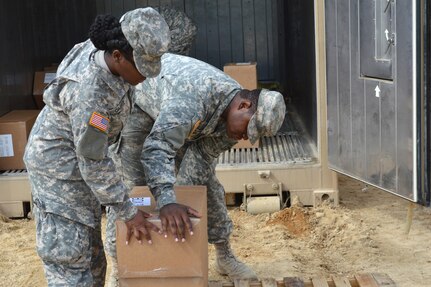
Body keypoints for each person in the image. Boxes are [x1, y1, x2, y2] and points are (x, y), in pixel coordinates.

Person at [106, 53, 286, 281]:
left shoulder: (234, 121)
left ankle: (224, 256)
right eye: (247, 129)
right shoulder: (192, 99)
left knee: (206, 186)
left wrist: (183, 201)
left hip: (181, 117)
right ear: (244, 104)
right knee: (133, 191)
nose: (243, 137)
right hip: (140, 107)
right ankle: (119, 266)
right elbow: (157, 149)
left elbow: (200, 158)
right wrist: (168, 201)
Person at [23, 8, 170, 286]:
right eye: (140, 67)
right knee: (70, 262)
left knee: (93, 260)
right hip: (58, 172)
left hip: (79, 167)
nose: (145, 76)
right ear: (117, 56)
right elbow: (93, 159)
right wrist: (128, 211)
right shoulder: (90, 94)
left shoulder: (104, 50)